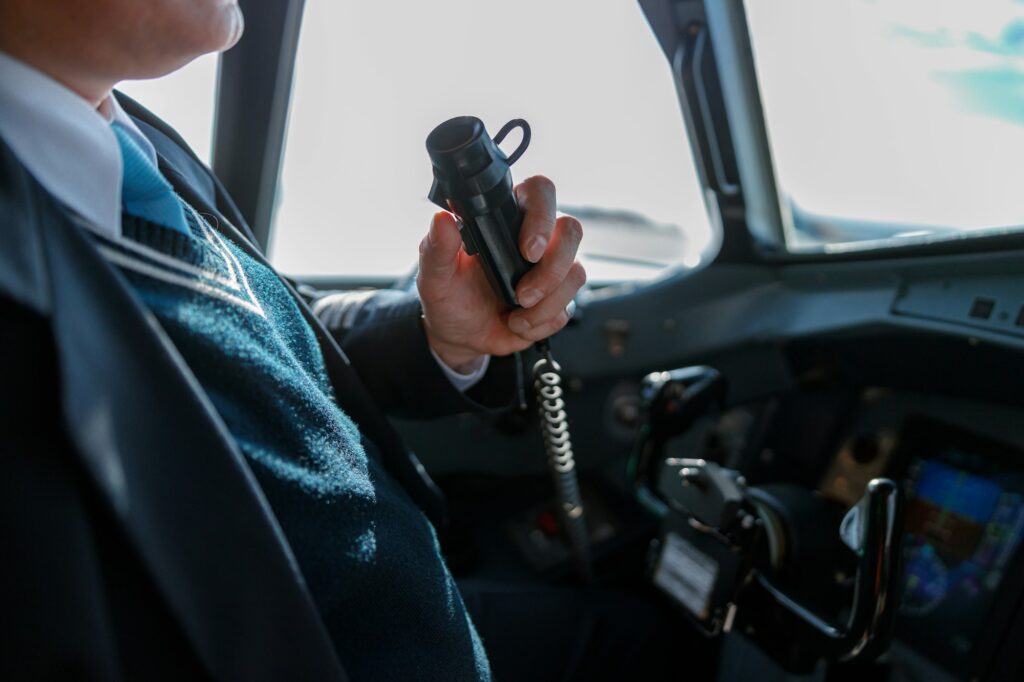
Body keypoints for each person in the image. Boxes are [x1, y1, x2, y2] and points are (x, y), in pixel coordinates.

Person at [0, 2, 700, 681]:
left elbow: (267, 327)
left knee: (644, 637)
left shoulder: (133, 141)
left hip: (421, 598)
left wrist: (442, 337)